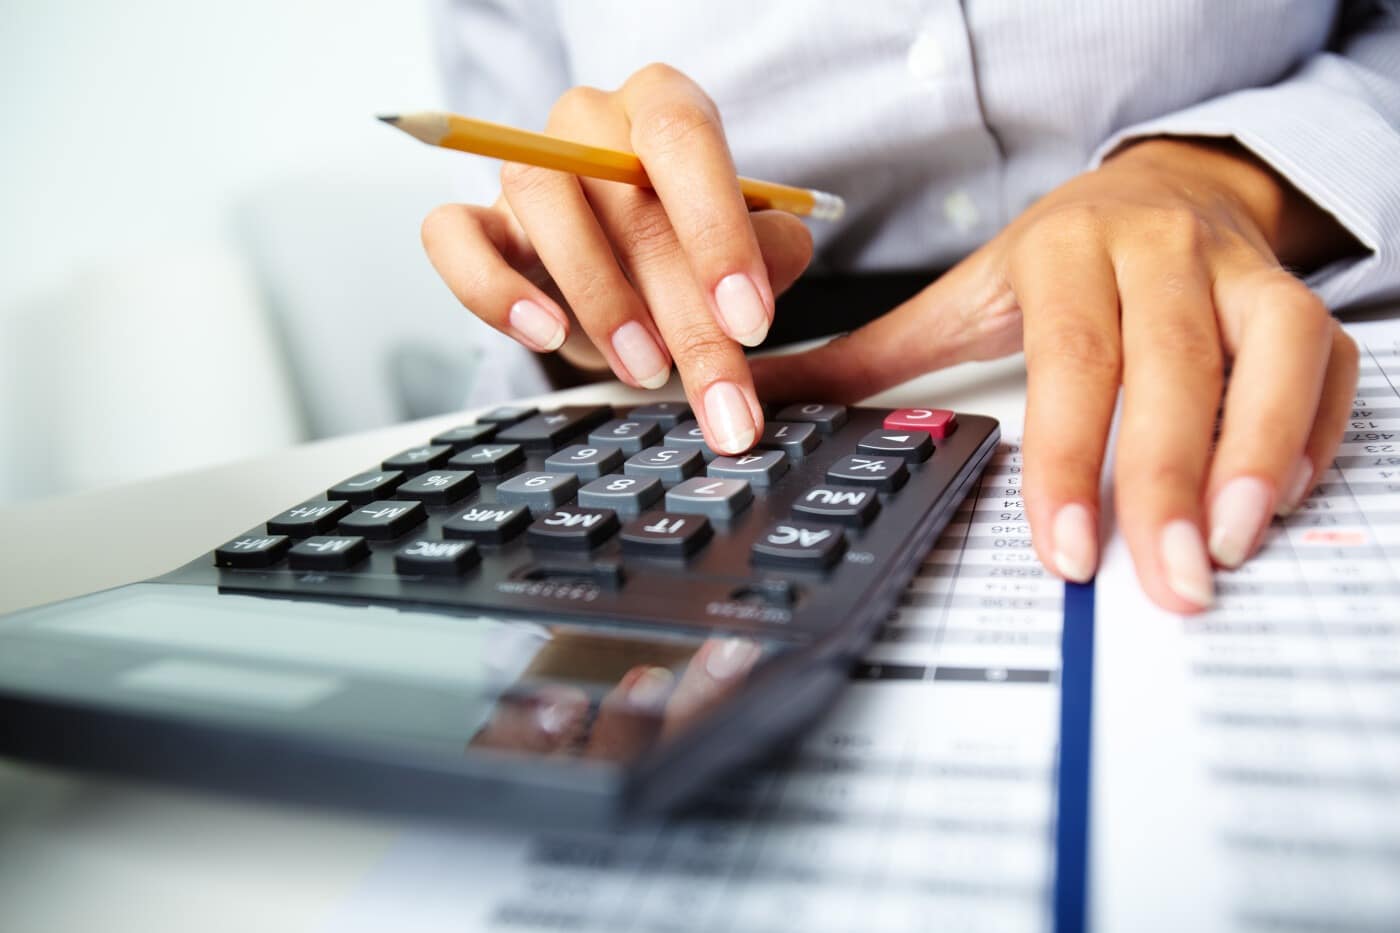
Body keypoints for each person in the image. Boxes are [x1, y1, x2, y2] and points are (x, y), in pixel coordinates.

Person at [420, 0, 1400, 613]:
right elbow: (527, 172)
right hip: (728, 407)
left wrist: (1219, 176)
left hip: (1253, 284)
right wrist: (582, 286)